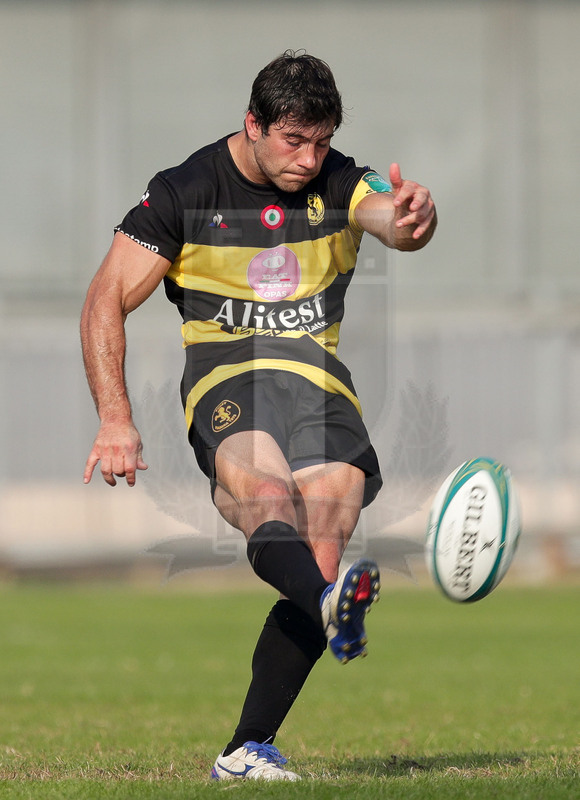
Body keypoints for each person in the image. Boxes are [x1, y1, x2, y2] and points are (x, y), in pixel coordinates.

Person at [81, 50, 437, 781]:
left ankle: (246, 750)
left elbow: (391, 222)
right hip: (227, 378)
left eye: (322, 140)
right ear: (253, 123)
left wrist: (412, 217)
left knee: (324, 546)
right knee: (268, 498)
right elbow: (104, 300)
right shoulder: (184, 190)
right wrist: (115, 417)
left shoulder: (342, 178)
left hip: (317, 384)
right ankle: (331, 608)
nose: (309, 159)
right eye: (292, 141)